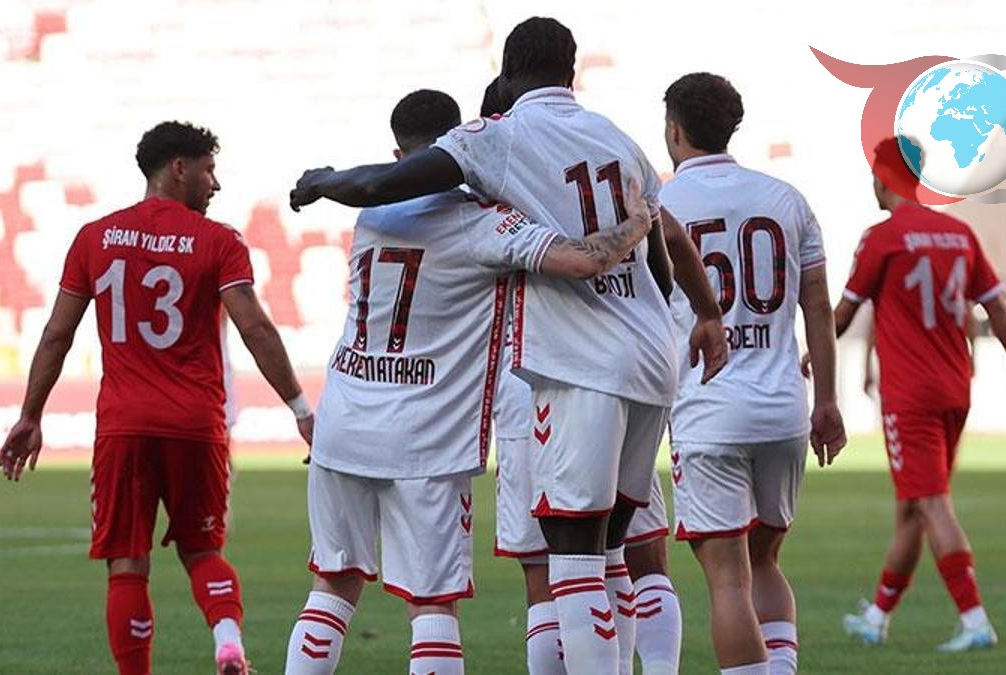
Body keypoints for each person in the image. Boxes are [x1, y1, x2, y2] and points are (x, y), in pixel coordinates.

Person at [288, 18, 727, 673]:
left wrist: (323, 179)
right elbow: (652, 261)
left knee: (568, 560)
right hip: (643, 359)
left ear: (508, 71)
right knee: (610, 552)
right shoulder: (615, 144)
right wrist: (667, 272)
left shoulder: (381, 215)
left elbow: (379, 184)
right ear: (571, 68)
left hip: (369, 415)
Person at [0, 121, 314, 675]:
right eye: (209, 170)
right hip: (196, 422)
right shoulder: (218, 241)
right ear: (179, 168)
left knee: (127, 563)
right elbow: (255, 328)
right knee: (204, 550)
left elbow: (56, 335)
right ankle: (228, 641)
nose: (216, 184)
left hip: (124, 424)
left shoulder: (95, 237)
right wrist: (300, 408)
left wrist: (31, 415)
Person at [480, 75, 685, 675]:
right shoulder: (605, 160)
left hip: (540, 381)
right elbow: (667, 243)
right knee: (631, 552)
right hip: (625, 368)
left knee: (553, 570)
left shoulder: (494, 196)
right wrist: (700, 312)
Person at [659, 72, 846, 675]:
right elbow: (818, 307)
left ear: (675, 130)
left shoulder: (660, 205)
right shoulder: (785, 199)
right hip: (783, 409)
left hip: (708, 409)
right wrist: (827, 401)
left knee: (728, 580)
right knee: (765, 563)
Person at [826, 137, 1006, 652]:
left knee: (933, 504)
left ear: (885, 178)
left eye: (875, 175)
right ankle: (877, 617)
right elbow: (997, 309)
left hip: (910, 395)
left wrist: (811, 354)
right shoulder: (960, 234)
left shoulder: (882, 238)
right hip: (954, 388)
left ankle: (974, 619)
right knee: (914, 508)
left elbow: (845, 313)